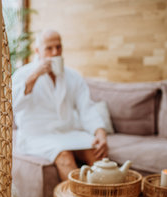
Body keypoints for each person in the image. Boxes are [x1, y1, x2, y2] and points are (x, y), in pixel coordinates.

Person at [12, 29, 108, 181]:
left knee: (97, 153)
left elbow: (86, 107)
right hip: (36, 136)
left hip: (67, 132)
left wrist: (100, 132)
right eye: (49, 48)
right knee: (64, 155)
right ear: (38, 51)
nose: (55, 52)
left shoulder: (72, 76)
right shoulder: (24, 75)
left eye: (58, 47)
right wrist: (34, 77)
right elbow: (11, 107)